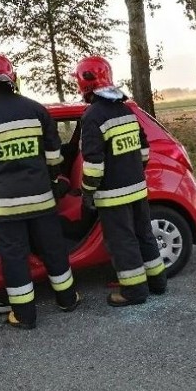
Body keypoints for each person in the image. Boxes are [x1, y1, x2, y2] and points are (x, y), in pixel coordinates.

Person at [0, 53, 80, 329]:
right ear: (12, 79)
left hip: (6, 207)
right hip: (41, 201)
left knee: (14, 259)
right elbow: (54, 157)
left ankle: (24, 316)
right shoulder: (37, 110)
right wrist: (55, 183)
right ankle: (68, 299)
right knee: (53, 250)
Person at [72, 55, 167, 306]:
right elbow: (144, 150)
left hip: (112, 196)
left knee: (122, 241)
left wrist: (86, 191)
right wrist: (132, 170)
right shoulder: (125, 110)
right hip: (137, 189)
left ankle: (134, 292)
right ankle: (158, 283)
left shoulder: (93, 116)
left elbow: (93, 165)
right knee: (144, 234)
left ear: (84, 83)